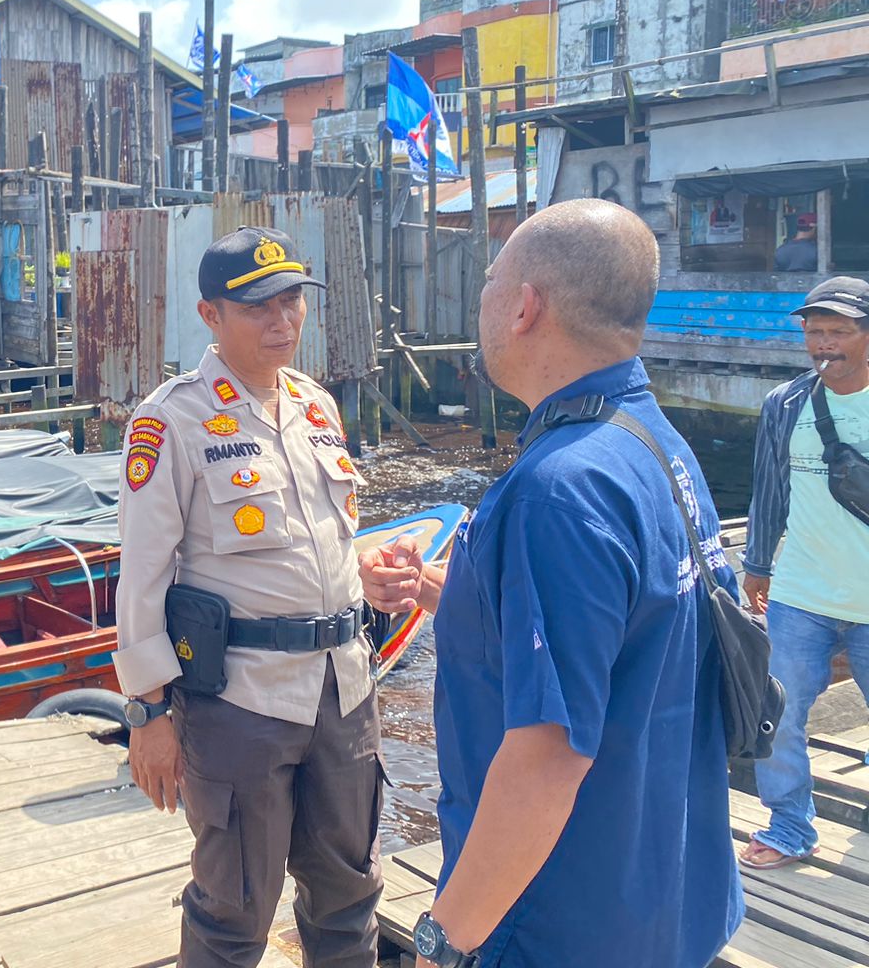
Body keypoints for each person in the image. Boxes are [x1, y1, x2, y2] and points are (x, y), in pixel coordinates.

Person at [360, 199, 743, 968]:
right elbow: (623, 630)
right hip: (663, 890)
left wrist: (447, 936)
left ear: (526, 305)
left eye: (491, 282)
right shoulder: (653, 446)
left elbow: (547, 755)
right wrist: (448, 591)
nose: (487, 302)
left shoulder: (556, 489)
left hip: (560, 917)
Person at [115, 226, 382, 968]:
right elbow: (140, 577)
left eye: (293, 300)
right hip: (243, 703)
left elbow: (318, 542)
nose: (282, 320)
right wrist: (148, 713)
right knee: (234, 910)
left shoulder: (316, 405)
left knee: (350, 896)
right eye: (259, 306)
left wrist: (370, 568)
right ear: (210, 315)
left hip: (344, 690)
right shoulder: (171, 419)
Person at [738, 275, 869, 869]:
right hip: (801, 594)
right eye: (815, 332)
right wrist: (757, 565)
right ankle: (790, 824)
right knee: (779, 713)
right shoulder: (785, 403)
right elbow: (769, 493)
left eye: (838, 331)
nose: (824, 344)